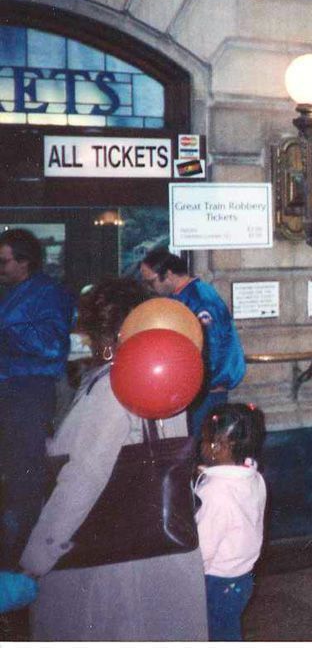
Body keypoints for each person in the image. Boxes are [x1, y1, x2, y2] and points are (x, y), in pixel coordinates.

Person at [19, 278, 207, 640]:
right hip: (159, 548)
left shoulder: (115, 384)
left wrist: (38, 557)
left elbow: (85, 476)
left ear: (107, 333)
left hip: (110, 560)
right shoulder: (166, 374)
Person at [0, 228, 74, 569]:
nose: (0, 268)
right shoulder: (13, 290)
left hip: (30, 392)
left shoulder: (48, 292)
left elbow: (54, 346)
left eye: (4, 262)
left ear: (25, 262)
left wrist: (8, 330)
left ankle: (25, 558)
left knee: (25, 475)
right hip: (11, 391)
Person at [139, 248, 246, 435]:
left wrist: (200, 382)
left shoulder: (199, 299)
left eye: (151, 281)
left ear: (169, 275)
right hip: (195, 387)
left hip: (206, 390)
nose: (149, 287)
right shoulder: (181, 296)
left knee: (199, 442)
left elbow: (212, 347)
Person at [196, 403, 268, 642]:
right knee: (227, 629)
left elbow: (203, 548)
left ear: (221, 446)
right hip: (243, 577)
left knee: (217, 634)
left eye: (207, 440)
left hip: (216, 580)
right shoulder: (253, 478)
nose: (203, 445)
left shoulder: (215, 493)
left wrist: (189, 578)